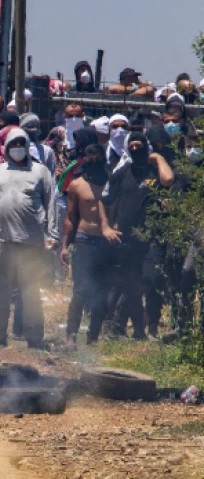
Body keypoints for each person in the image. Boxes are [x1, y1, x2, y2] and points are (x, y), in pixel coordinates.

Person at [0, 127, 60, 348]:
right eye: (13, 144)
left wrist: (53, 234)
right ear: (6, 147)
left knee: (31, 291)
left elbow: (51, 204)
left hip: (31, 241)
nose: (17, 148)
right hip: (1, 239)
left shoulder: (40, 172)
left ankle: (35, 336)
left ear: (27, 146)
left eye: (21, 144)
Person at [99, 131, 174, 339]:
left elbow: (168, 180)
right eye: (131, 147)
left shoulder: (155, 171)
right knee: (129, 284)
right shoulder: (122, 172)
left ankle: (152, 328)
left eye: (139, 146)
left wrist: (157, 158)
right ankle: (135, 329)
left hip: (152, 237)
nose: (135, 150)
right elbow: (104, 199)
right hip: (126, 238)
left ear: (146, 147)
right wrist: (105, 227)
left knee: (151, 279)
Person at [61, 143, 110, 348]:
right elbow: (70, 217)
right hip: (84, 239)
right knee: (80, 290)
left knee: (102, 291)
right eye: (89, 156)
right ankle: (71, 335)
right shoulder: (77, 184)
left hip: (106, 242)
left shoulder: (111, 182)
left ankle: (93, 336)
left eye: (97, 156)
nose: (93, 160)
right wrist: (65, 246)